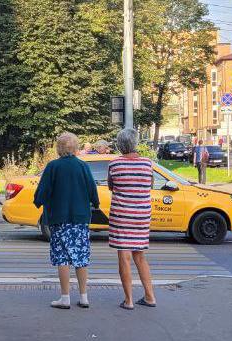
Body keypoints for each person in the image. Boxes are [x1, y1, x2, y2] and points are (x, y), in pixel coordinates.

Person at [34, 132, 100, 309]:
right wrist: (96, 202)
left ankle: (65, 298)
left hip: (59, 219)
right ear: (76, 148)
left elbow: (43, 190)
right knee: (80, 256)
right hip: (80, 219)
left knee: (62, 257)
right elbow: (92, 189)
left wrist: (37, 201)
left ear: (59, 148)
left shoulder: (53, 167)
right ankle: (84, 296)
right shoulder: (83, 166)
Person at [107, 128, 156, 310]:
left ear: (120, 145)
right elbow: (149, 185)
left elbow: (112, 186)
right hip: (142, 215)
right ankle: (150, 296)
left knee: (124, 257)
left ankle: (128, 301)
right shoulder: (147, 163)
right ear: (135, 144)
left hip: (122, 215)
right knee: (140, 256)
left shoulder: (115, 164)